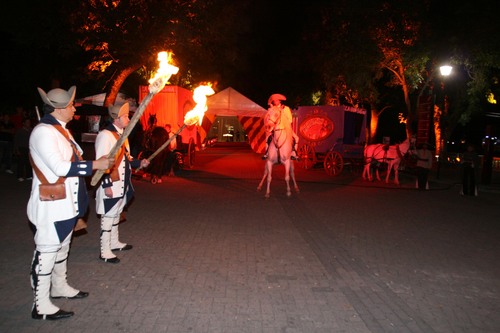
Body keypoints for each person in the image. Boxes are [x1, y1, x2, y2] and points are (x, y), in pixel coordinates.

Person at [28, 86, 114, 320]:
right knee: (47, 253)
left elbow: (74, 160)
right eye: (71, 105)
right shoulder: (44, 132)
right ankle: (41, 304)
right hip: (50, 205)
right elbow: (60, 168)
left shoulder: (62, 131)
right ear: (59, 108)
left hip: (66, 205)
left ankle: (59, 286)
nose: (74, 108)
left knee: (62, 249)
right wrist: (95, 165)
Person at [95, 103, 149, 263]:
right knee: (108, 217)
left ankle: (114, 242)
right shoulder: (105, 135)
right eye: (125, 116)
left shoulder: (122, 136)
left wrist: (140, 163)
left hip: (122, 184)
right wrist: (107, 186)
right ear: (117, 118)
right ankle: (105, 251)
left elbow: (126, 158)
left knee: (116, 215)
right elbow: (101, 162)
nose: (128, 118)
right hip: (112, 184)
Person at [262, 93, 299, 160]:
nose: (275, 102)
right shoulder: (272, 109)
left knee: (296, 138)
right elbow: (269, 118)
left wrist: (285, 124)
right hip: (275, 127)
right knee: (268, 138)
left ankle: (294, 154)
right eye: (274, 101)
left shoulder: (286, 108)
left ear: (279, 101)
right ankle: (267, 153)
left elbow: (290, 119)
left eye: (276, 100)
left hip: (286, 127)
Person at [13, 117, 33, 181]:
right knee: (21, 162)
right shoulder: (20, 131)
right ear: (23, 123)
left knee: (29, 163)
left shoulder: (31, 130)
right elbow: (16, 141)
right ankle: (20, 175)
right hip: (21, 148)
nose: (28, 124)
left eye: (29, 122)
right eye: (27, 122)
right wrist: (16, 149)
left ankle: (28, 175)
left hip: (29, 148)